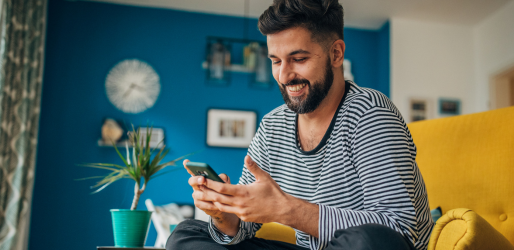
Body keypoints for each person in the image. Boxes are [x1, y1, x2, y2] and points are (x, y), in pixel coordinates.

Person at [166, 0, 434, 249]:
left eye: (299, 59)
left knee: (369, 238)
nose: (284, 75)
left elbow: (399, 231)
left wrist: (286, 210)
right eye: (275, 61)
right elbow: (242, 226)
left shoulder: (370, 113)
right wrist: (223, 214)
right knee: (186, 233)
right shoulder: (273, 125)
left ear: (336, 54)